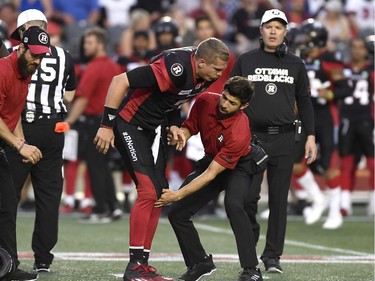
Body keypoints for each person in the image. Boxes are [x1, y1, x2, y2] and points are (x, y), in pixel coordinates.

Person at [94, 37, 229, 281]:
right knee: (148, 192)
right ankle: (135, 265)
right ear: (200, 63)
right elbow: (120, 81)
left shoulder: (203, 74)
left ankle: (142, 264)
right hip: (131, 123)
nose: (220, 74)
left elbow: (172, 98)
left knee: (159, 194)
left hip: (155, 128)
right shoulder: (176, 66)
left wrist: (176, 125)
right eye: (217, 69)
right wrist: (106, 125)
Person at [231, 9, 317, 273]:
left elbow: (304, 101)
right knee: (247, 199)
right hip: (251, 138)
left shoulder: (296, 64)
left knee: (279, 201)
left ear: (285, 32)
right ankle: (250, 244)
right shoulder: (245, 60)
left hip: (284, 137)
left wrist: (310, 136)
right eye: (268, 26)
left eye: (278, 27)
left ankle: (272, 257)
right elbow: (231, 97)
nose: (272, 31)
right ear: (260, 30)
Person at [155, 76, 265, 281]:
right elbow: (191, 126)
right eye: (225, 97)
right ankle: (200, 263)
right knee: (177, 214)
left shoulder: (239, 129)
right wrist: (182, 135)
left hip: (241, 165)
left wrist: (178, 194)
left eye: (232, 103)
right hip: (213, 158)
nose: (224, 104)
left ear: (244, 106)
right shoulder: (205, 100)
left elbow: (211, 174)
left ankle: (252, 269)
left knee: (233, 205)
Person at [4, 9, 76, 273]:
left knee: (8, 196)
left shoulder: (14, 54)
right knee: (49, 195)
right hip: (53, 126)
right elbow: (70, 95)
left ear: (23, 31)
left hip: (19, 126)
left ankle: (7, 257)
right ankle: (43, 257)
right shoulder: (64, 55)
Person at [0, 26, 50, 281]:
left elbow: (13, 111)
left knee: (8, 205)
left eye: (42, 56)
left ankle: (7, 268)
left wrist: (21, 141)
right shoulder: (2, 70)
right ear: (21, 48)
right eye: (34, 55)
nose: (37, 61)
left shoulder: (25, 71)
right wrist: (20, 146)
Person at [294, 18, 352, 229]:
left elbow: (345, 89)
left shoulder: (330, 59)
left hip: (325, 117)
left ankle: (335, 212)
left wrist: (327, 93)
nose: (302, 40)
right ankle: (318, 199)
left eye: (307, 37)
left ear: (317, 39)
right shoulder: (298, 58)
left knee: (329, 165)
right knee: (295, 162)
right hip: (302, 117)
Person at [65, 26, 122, 223]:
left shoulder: (94, 67)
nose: (85, 46)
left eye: (89, 42)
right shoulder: (113, 66)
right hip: (110, 121)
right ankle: (113, 206)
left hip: (95, 123)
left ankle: (101, 208)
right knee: (103, 166)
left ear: (99, 44)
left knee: (96, 166)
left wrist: (69, 121)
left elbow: (82, 99)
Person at [339, 36, 374, 216]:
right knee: (346, 161)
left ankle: (373, 202)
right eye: (353, 47)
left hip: (367, 119)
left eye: (360, 47)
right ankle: (345, 203)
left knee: (372, 161)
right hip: (347, 119)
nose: (357, 51)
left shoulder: (372, 69)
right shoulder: (342, 69)